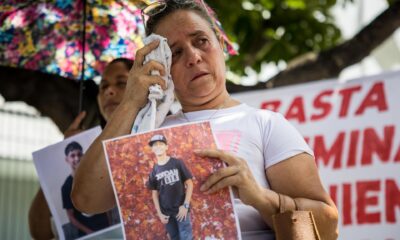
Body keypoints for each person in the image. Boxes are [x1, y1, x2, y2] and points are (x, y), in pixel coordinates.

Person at [72, 1, 339, 239]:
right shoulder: (147, 132)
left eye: (200, 41)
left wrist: (260, 196)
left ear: (220, 45)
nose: (193, 57)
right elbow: (86, 200)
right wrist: (130, 100)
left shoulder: (265, 123)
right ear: (161, 66)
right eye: (175, 53)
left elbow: (327, 228)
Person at [28, 58, 133, 239]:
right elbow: (40, 232)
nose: (109, 91)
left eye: (121, 83)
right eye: (103, 86)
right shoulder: (88, 154)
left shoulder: (158, 142)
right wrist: (62, 152)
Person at [147, 134, 194, 240]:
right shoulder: (154, 171)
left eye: (161, 144)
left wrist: (185, 206)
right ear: (152, 149)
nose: (158, 146)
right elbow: (154, 194)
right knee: (174, 237)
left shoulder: (177, 163)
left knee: (186, 237)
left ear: (166, 147)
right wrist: (159, 214)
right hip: (166, 213)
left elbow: (190, 184)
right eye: (155, 145)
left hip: (181, 210)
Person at [61, 141, 109, 238]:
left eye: (79, 154)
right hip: (87, 234)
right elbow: (71, 216)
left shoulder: (94, 177)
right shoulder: (66, 187)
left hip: (106, 228)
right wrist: (89, 232)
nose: (77, 158)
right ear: (67, 159)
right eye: (72, 155)